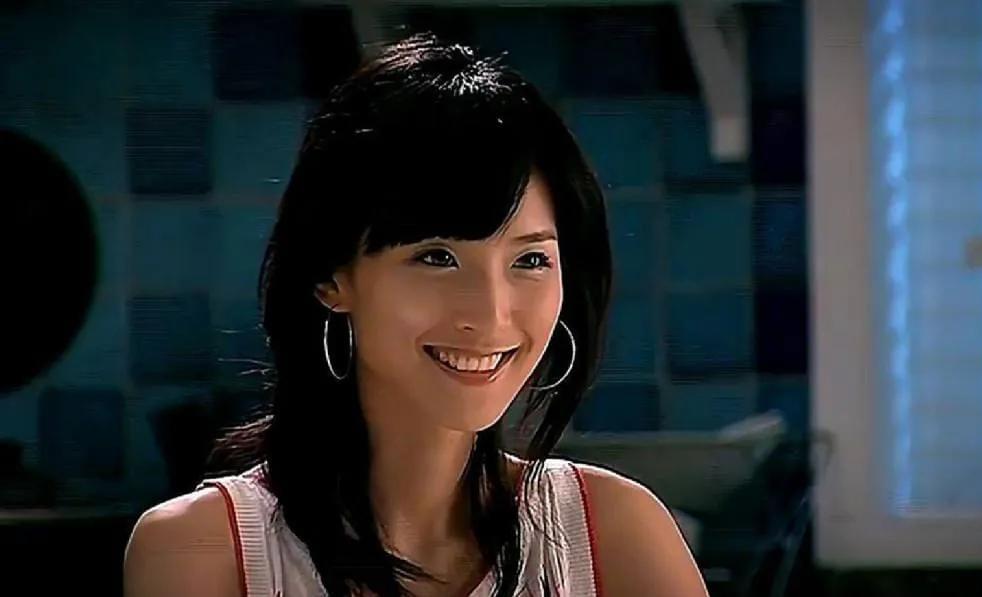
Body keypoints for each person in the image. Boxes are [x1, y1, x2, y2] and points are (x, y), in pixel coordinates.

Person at [123, 32, 708, 597]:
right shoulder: (204, 552)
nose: (491, 314)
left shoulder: (613, 537)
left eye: (530, 260)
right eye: (436, 257)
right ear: (331, 276)